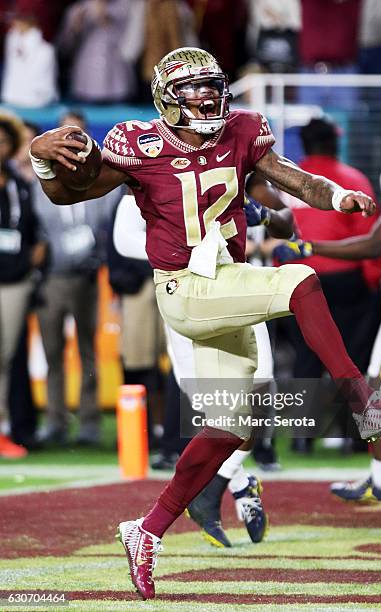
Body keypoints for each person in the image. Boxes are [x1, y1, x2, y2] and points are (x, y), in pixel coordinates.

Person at [29, 47, 381, 600]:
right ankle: (360, 400)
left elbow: (289, 177)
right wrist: (44, 159)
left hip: (225, 279)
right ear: (168, 101)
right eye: (193, 92)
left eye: (212, 88)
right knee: (299, 281)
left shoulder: (241, 129)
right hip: (185, 287)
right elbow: (73, 188)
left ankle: (146, 531)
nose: (207, 100)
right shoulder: (138, 142)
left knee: (230, 428)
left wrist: (337, 195)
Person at [273, 92, 381, 503]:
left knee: (377, 385)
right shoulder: (369, 176)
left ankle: (377, 477)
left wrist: (310, 249)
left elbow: (378, 242)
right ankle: (374, 472)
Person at [113, 183, 289, 547]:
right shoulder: (153, 159)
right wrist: (183, 250)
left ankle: (220, 483)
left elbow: (285, 214)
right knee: (211, 404)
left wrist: (266, 217)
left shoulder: (239, 148)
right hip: (185, 290)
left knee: (258, 390)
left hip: (239, 284)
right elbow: (123, 237)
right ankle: (238, 484)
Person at [273, 117, 381, 452]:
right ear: (334, 142)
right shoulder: (353, 180)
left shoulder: (289, 183)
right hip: (347, 280)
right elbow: (370, 239)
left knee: (305, 359)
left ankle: (302, 440)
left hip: (299, 278)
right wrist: (372, 281)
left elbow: (278, 231)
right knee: (352, 358)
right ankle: (356, 439)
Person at [33, 110, 123, 446]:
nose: (71, 142)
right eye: (65, 135)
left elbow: (108, 227)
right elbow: (36, 231)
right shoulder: (37, 182)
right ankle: (55, 421)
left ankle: (88, 424)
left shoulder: (100, 183)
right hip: (52, 279)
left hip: (87, 276)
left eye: (77, 135)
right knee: (52, 351)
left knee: (88, 351)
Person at [0, 112, 47, 458]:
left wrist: (36, 254)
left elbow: (33, 231)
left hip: (14, 280)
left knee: (5, 356)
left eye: (3, 141)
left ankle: (3, 429)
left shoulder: (20, 185)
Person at [1, 11, 58, 107]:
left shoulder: (45, 50)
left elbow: (39, 71)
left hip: (35, 96)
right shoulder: (12, 37)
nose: (16, 25)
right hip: (13, 95)